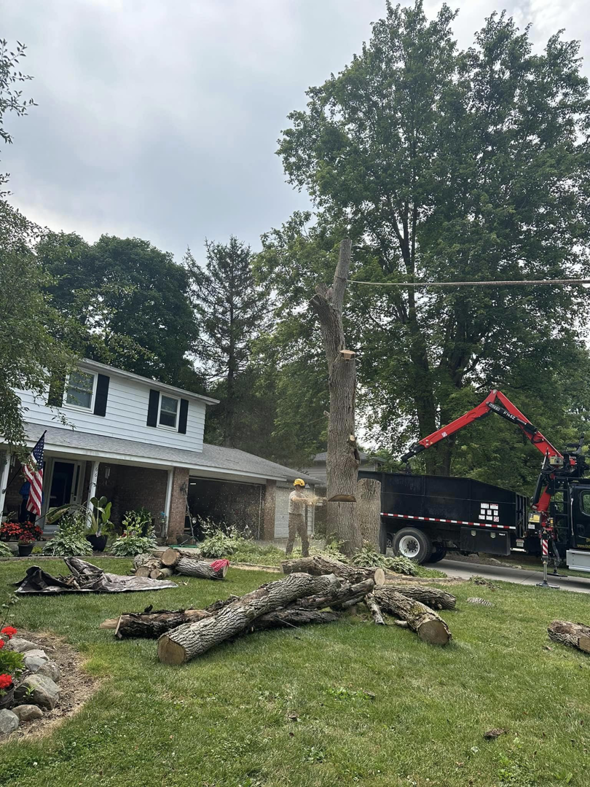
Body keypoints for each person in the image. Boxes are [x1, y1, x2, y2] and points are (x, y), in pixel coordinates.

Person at [286, 479, 321, 557]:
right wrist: (304, 499)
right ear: (297, 486)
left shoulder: (302, 495)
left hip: (300, 517)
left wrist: (313, 502)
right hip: (292, 516)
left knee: (305, 537)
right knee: (291, 537)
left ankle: (305, 554)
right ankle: (288, 555)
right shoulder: (293, 493)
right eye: (301, 486)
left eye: (303, 487)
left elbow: (309, 503)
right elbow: (294, 499)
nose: (302, 488)